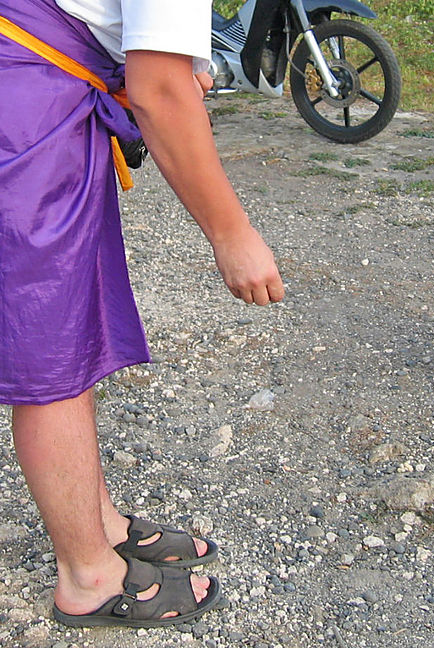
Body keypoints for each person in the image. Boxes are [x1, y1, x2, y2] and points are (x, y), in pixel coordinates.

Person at [0, 0, 284, 627]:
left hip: (38, 81)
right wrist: (231, 234)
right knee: (49, 349)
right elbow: (159, 93)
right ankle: (89, 577)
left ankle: (97, 523)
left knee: (70, 326)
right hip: (23, 103)